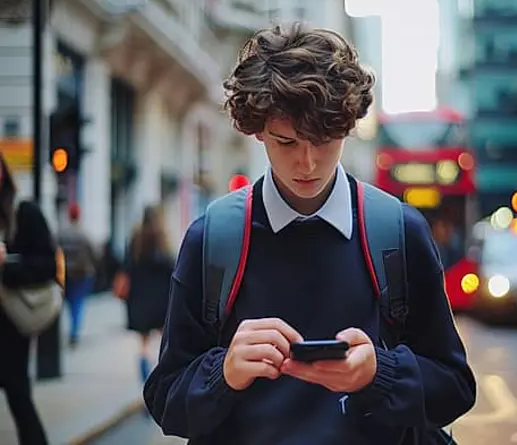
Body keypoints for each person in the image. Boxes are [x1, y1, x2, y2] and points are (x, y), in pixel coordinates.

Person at [144, 23, 476, 444]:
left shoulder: (399, 231)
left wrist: (380, 373)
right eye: (286, 142)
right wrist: (223, 372)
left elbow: (457, 388)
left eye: (325, 140)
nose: (308, 163)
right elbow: (165, 402)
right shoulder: (211, 237)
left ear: (348, 126)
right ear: (258, 129)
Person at [0, 155, 53, 445]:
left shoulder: (24, 212)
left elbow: (46, 264)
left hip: (11, 324)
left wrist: (7, 265)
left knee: (18, 396)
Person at [115, 205, 174, 383]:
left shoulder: (135, 238)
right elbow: (171, 266)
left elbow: (127, 265)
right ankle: (159, 372)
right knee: (165, 340)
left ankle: (144, 372)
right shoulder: (162, 238)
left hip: (139, 298)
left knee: (143, 342)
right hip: (160, 299)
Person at [57, 202, 97, 348]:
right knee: (78, 303)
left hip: (67, 274)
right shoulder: (84, 235)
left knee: (70, 302)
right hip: (83, 273)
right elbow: (95, 253)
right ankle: (74, 331)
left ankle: (73, 329)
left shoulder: (61, 234)